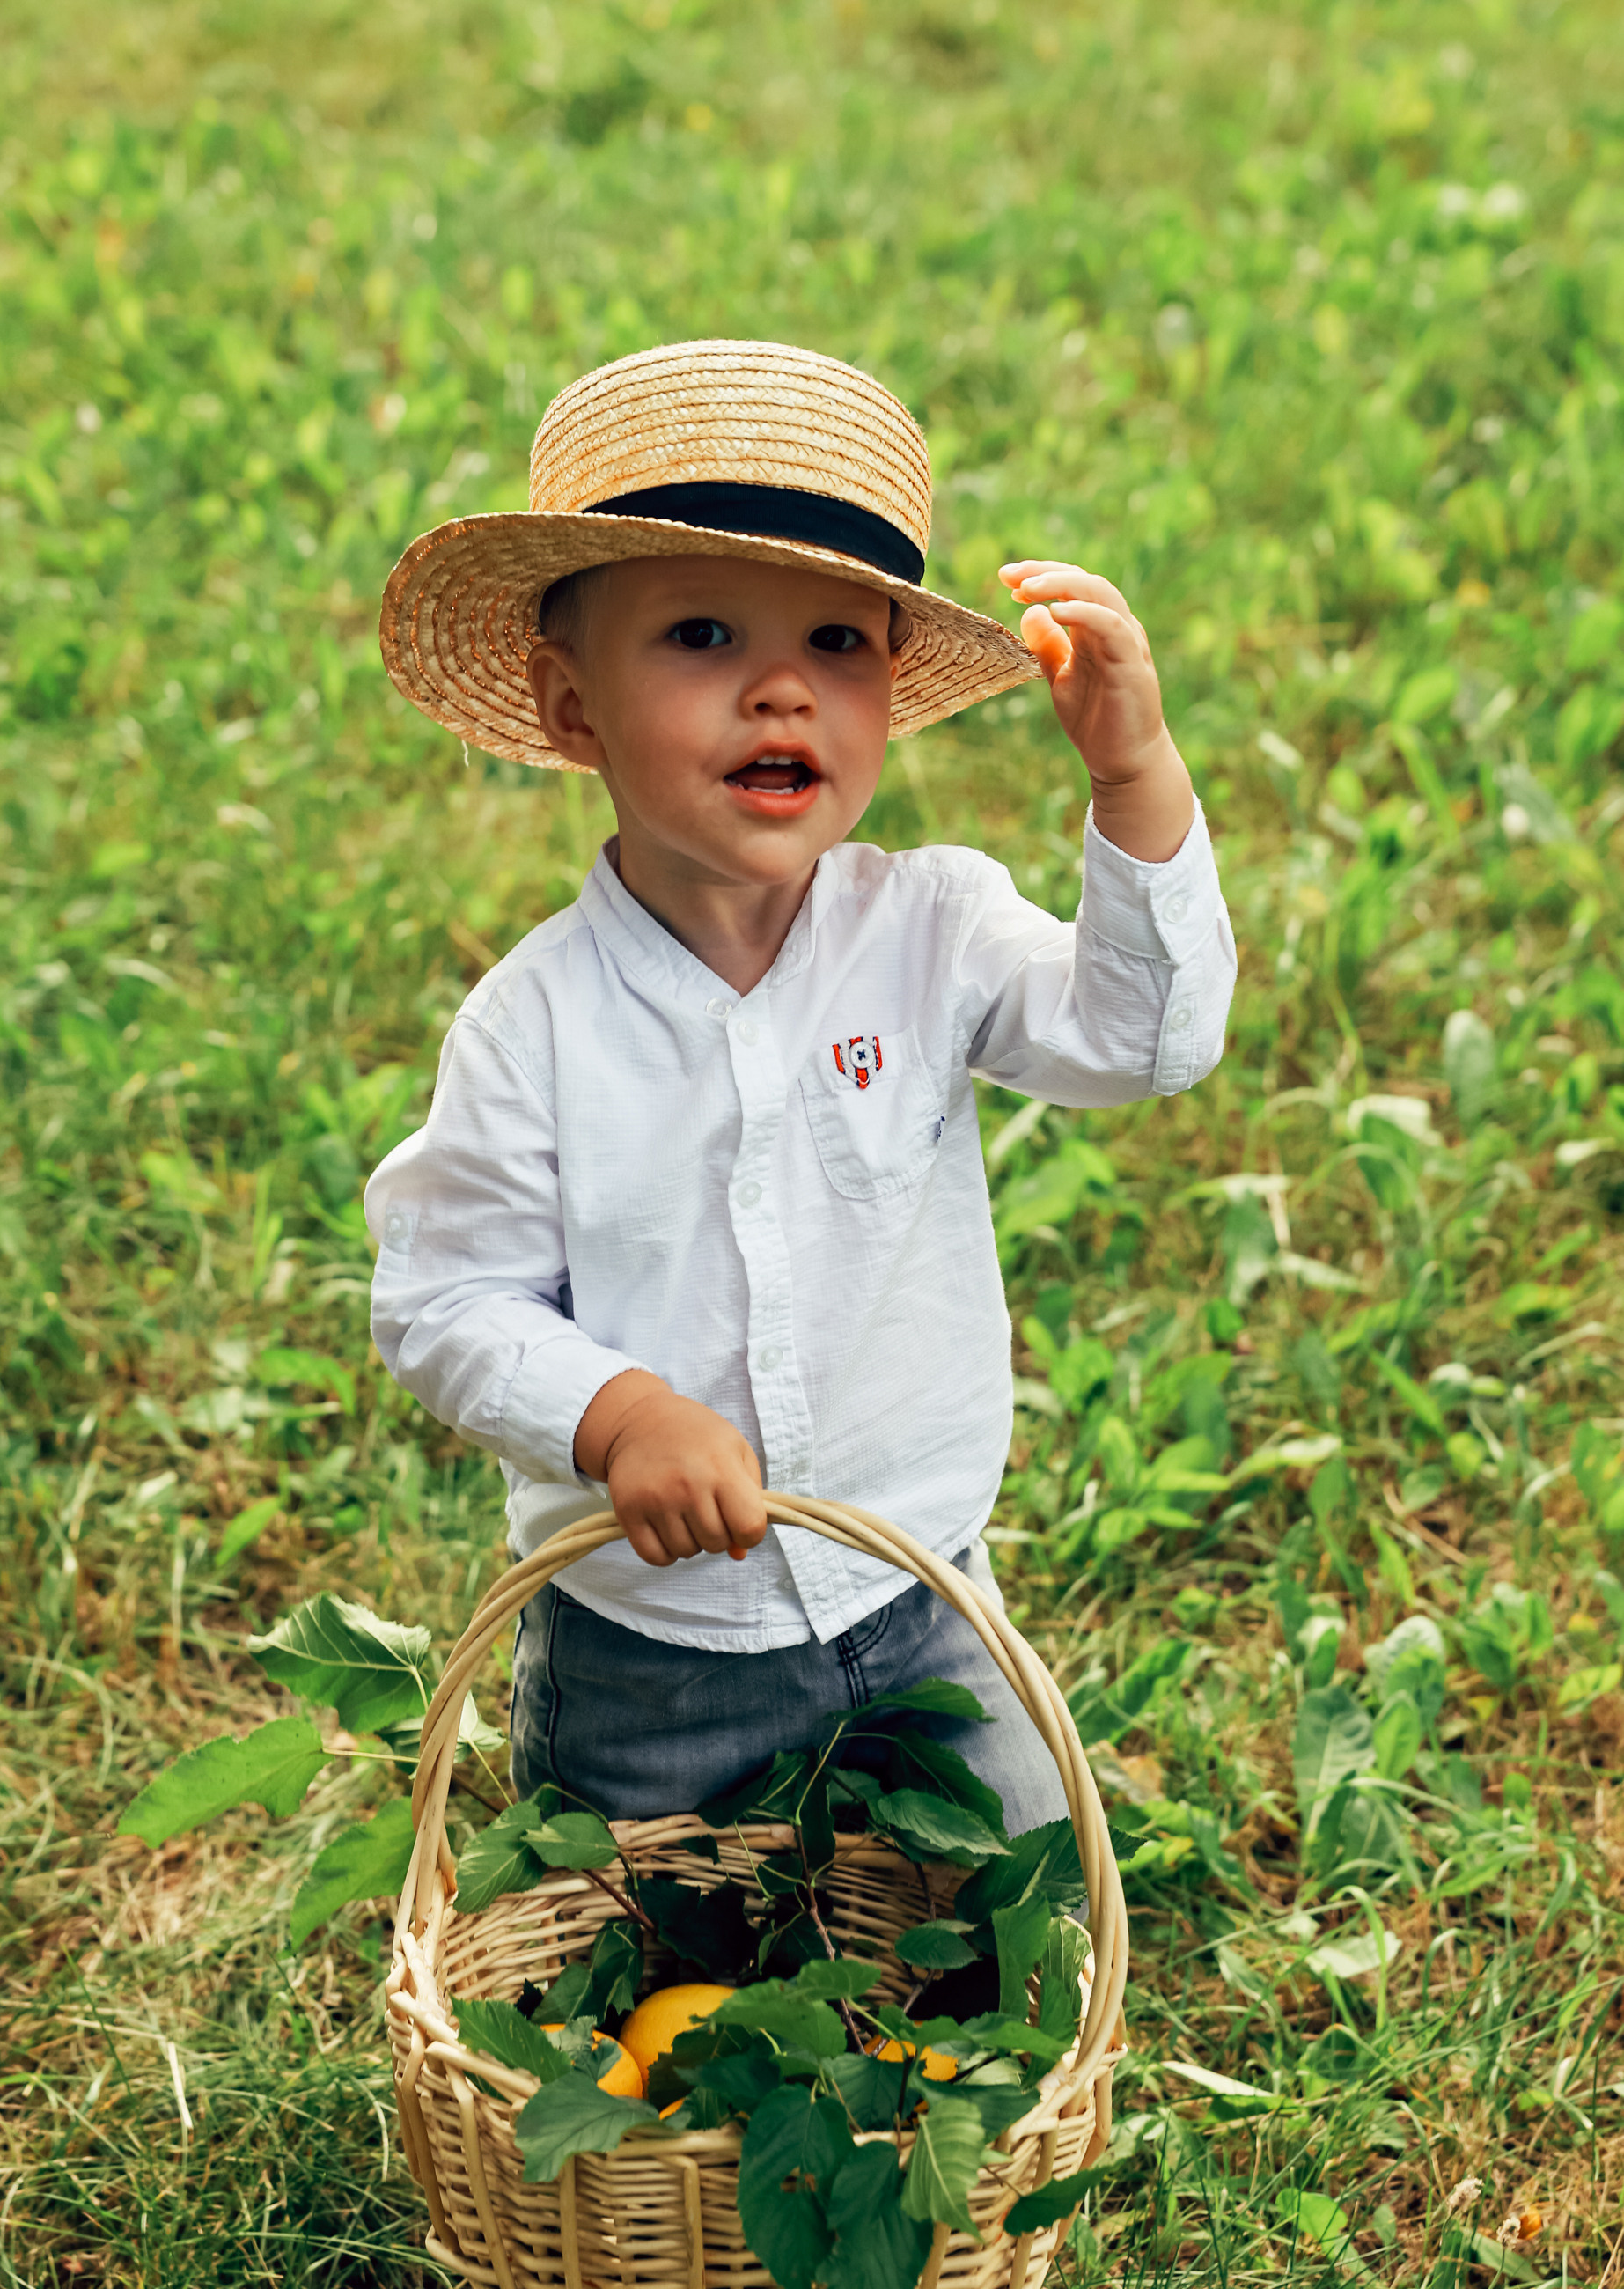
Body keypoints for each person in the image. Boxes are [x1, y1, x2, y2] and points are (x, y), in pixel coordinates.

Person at [365, 339, 1235, 1838]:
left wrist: (1131, 777)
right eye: (701, 634)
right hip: (655, 1647)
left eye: (839, 645)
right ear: (571, 711)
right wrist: (617, 1413)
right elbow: (444, 1302)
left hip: (922, 1590)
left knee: (1011, 1931)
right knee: (643, 1965)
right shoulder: (534, 1026)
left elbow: (1140, 1041)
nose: (782, 689)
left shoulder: (936, 929)